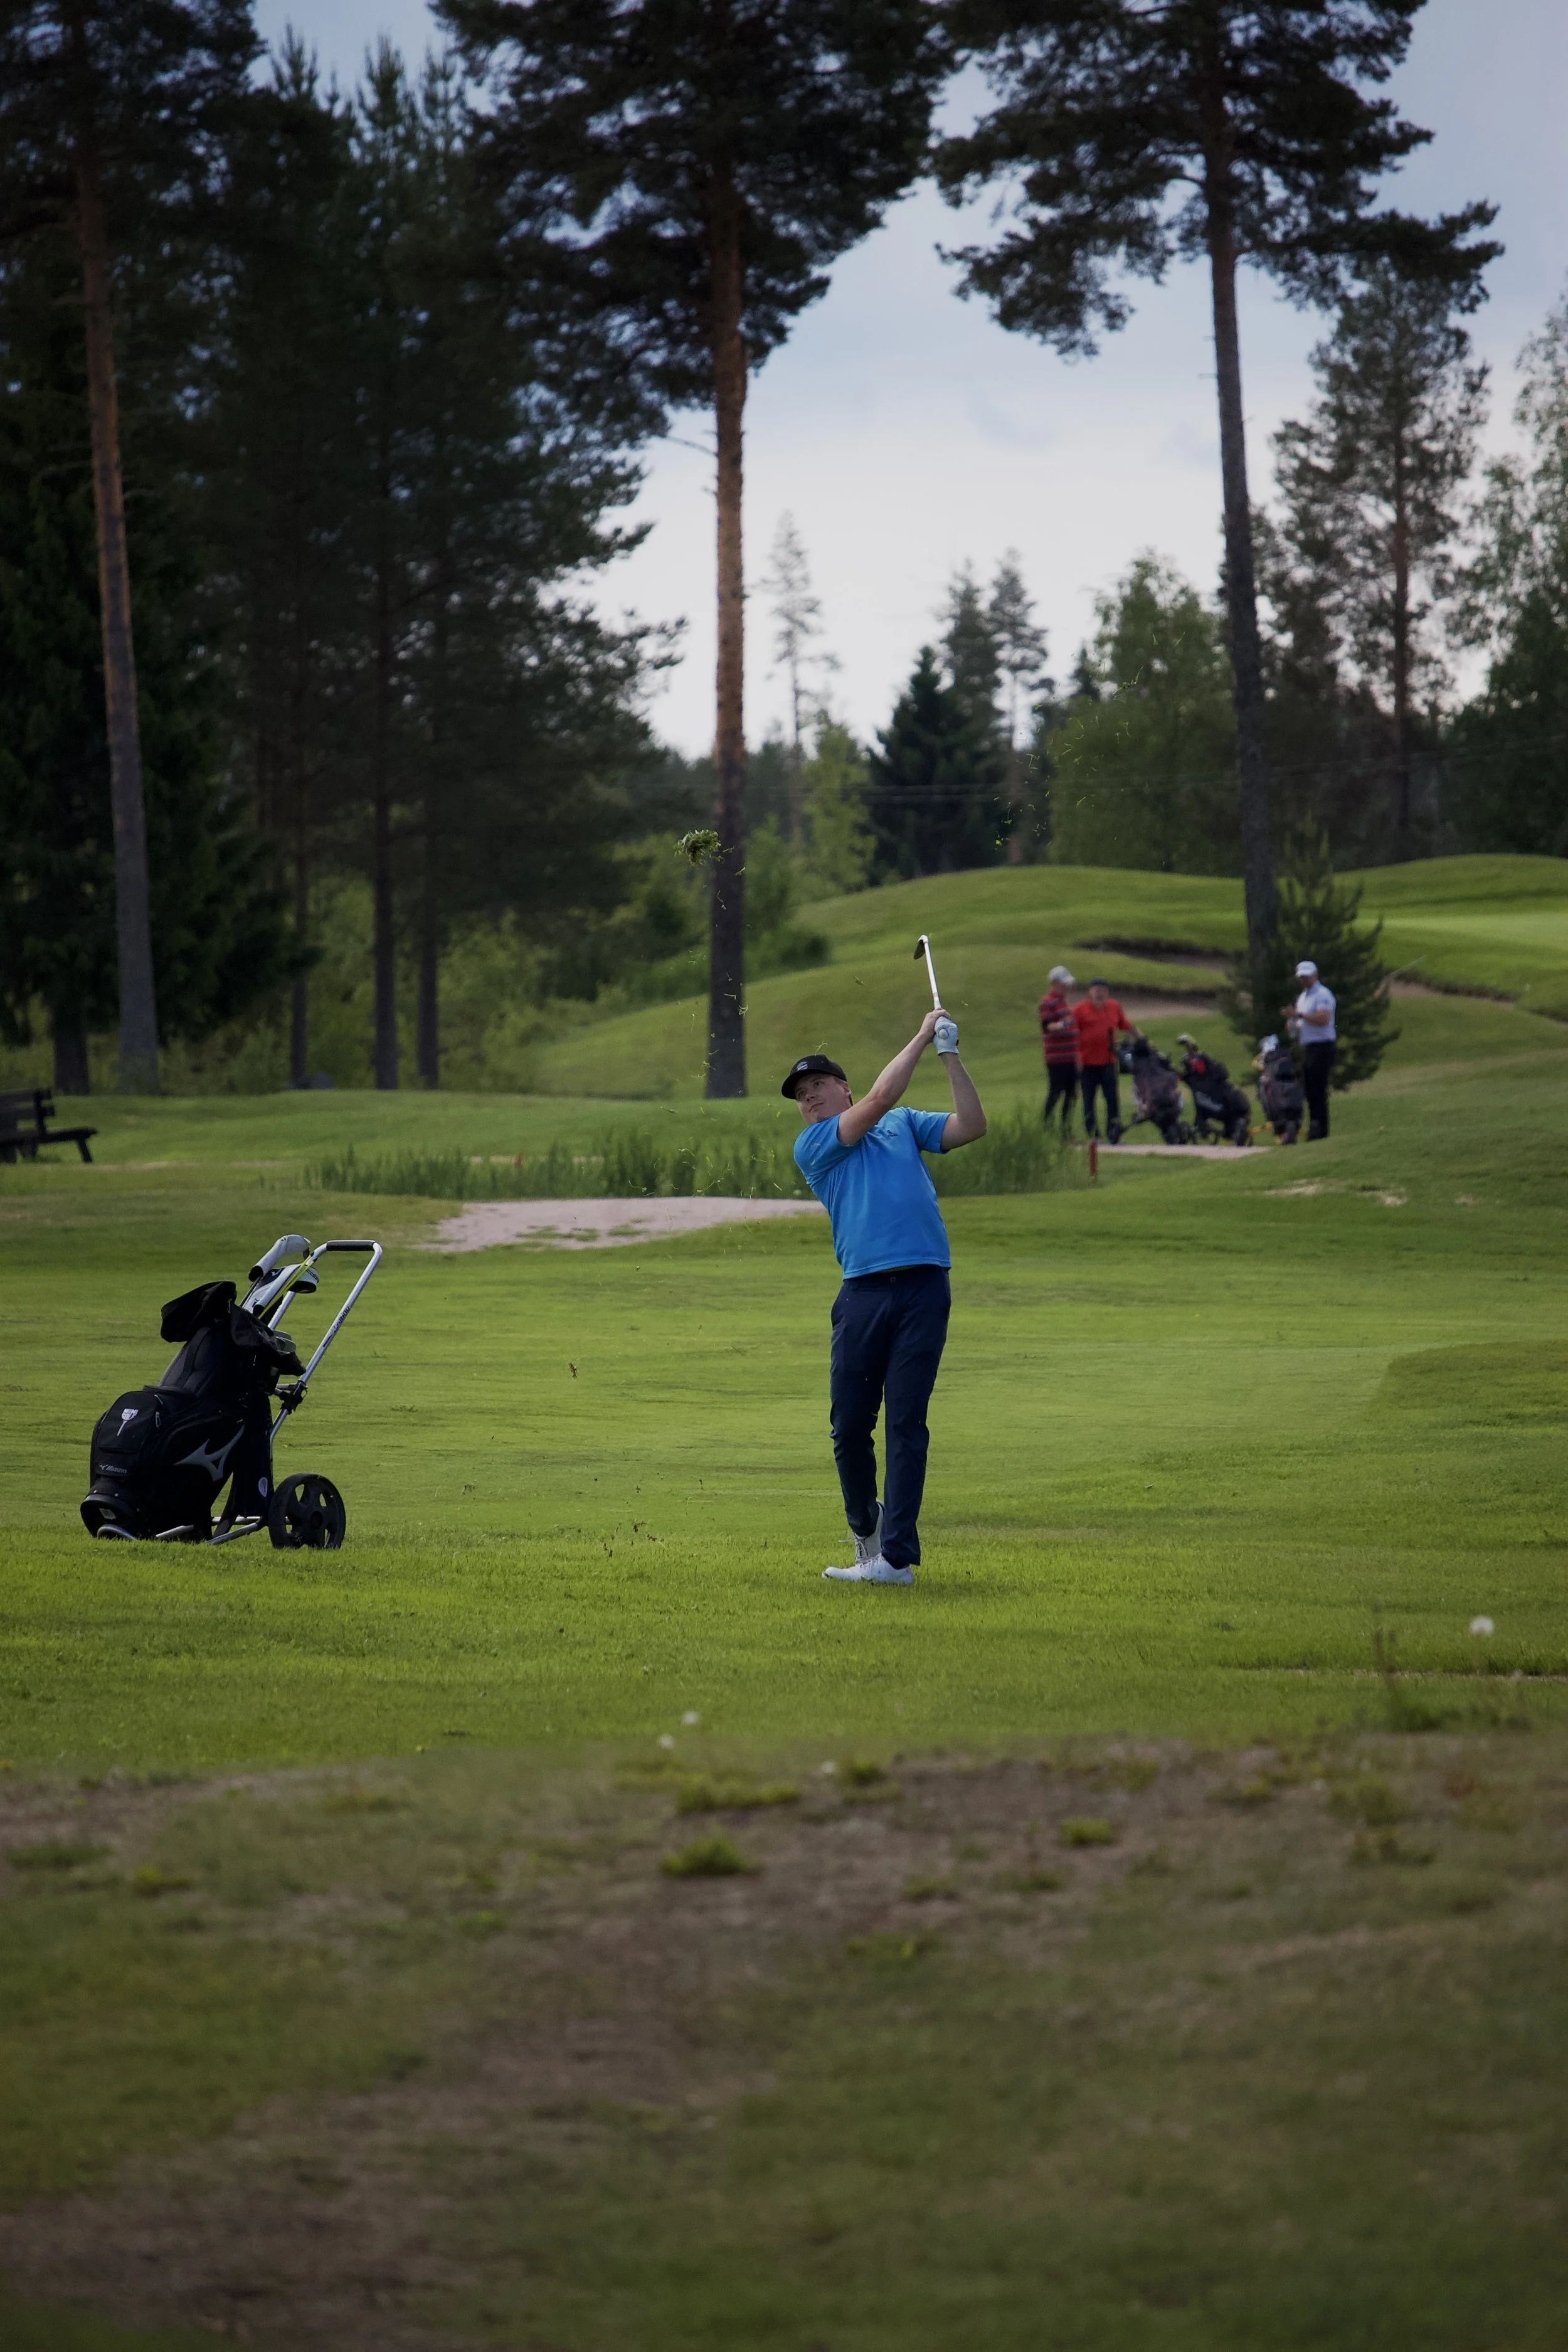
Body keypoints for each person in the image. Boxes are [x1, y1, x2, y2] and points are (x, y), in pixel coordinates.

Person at [785, 1009, 987, 1587]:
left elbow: (971, 1126)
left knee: (906, 1421)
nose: (810, 1100)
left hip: (925, 1285)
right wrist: (924, 1035)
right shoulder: (816, 1144)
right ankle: (865, 1528)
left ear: (840, 1087)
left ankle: (896, 1559)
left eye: (817, 1087)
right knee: (849, 1427)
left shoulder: (904, 1124)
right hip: (863, 1293)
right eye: (801, 1095)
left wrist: (950, 1055)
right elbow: (876, 1099)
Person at [1072, 977, 1139, 1141]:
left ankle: (1114, 1134)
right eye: (1097, 990)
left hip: (1108, 1062)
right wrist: (1076, 1057)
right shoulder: (1080, 1010)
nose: (1100, 994)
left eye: (1103, 991)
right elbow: (1072, 1036)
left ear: (1107, 993)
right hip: (1087, 1063)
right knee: (1089, 1100)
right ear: (1090, 992)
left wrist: (1142, 1039)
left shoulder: (1114, 1007)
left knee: (1112, 1100)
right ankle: (1093, 1135)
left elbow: (1126, 1025)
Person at [1283, 958, 1337, 1139]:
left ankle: (1321, 1130)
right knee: (1309, 1089)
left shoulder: (1322, 994)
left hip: (1322, 1045)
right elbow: (1302, 1022)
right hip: (1309, 1046)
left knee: (1318, 1089)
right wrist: (1293, 1024)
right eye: (1301, 977)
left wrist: (1299, 1015)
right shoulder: (1303, 998)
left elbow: (1323, 1019)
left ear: (1315, 976)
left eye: (1307, 976)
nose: (1304, 980)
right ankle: (1315, 1127)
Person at [1038, 964, 1079, 1131]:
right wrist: (1063, 1024)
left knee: (1072, 1094)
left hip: (1070, 1057)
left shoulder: (1064, 1003)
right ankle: (1046, 1127)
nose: (1067, 987)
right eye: (1064, 984)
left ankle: (1066, 1131)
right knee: (1056, 1093)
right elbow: (1047, 1026)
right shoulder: (1047, 1002)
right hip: (1056, 1058)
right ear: (1055, 983)